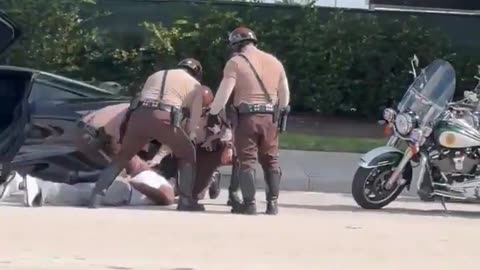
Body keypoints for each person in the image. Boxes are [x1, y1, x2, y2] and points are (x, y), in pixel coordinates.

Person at [89, 58, 207, 211]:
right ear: (197, 74)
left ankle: (96, 196)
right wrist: (190, 135)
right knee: (187, 154)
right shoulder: (195, 86)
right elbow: (192, 123)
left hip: (139, 116)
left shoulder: (155, 75)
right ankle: (185, 201)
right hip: (165, 116)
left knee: (123, 157)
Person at [207, 27, 290, 215]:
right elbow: (284, 93)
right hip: (270, 117)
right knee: (271, 161)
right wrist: (280, 111)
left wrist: (213, 112)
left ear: (235, 45)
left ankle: (250, 204)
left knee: (247, 161)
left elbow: (224, 93)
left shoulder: (235, 62)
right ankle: (272, 205)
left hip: (247, 118)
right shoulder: (275, 62)